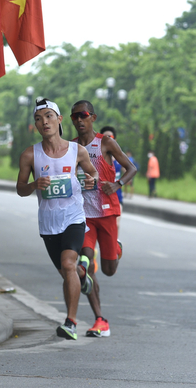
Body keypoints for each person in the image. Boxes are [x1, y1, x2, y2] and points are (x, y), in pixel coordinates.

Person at [16, 98, 98, 341]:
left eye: (49, 116)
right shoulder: (30, 155)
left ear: (59, 120)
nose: (45, 122)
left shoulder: (77, 151)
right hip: (49, 222)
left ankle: (70, 323)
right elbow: (20, 188)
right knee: (67, 272)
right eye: (39, 119)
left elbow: (92, 173)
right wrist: (34, 184)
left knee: (67, 264)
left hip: (73, 216)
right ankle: (83, 274)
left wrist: (91, 180)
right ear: (36, 125)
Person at [71, 100, 137, 337]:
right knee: (85, 263)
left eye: (83, 115)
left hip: (107, 213)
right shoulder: (71, 147)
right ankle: (100, 319)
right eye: (75, 117)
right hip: (83, 215)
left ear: (93, 118)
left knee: (108, 270)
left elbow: (131, 168)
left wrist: (117, 184)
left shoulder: (105, 143)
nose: (79, 120)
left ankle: (115, 250)